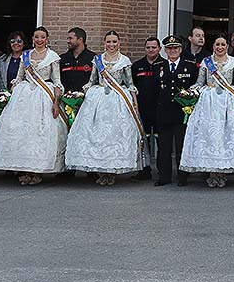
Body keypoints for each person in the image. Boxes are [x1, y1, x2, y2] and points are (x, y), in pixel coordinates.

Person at [0, 26, 68, 185]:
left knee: (39, 133)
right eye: (36, 37)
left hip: (44, 96)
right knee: (21, 133)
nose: (39, 40)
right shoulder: (26, 55)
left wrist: (56, 102)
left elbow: (57, 81)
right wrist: (13, 87)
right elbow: (19, 77)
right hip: (24, 95)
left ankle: (37, 171)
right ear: (32, 39)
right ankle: (24, 169)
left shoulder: (52, 57)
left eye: (42, 37)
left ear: (47, 39)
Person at [63, 31, 144, 185]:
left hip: (118, 100)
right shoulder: (97, 60)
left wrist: (134, 103)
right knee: (97, 135)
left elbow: (130, 83)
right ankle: (100, 170)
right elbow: (92, 80)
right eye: (108, 42)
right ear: (104, 43)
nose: (111, 45)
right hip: (97, 100)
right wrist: (82, 92)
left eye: (114, 42)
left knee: (114, 136)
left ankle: (112, 171)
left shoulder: (124, 60)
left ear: (119, 43)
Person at [180, 35, 234, 188]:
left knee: (226, 136)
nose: (220, 47)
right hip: (208, 102)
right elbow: (199, 83)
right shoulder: (206, 62)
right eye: (217, 44)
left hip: (229, 102)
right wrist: (188, 93)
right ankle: (211, 171)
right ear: (213, 46)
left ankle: (222, 172)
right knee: (209, 136)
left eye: (223, 44)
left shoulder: (233, 62)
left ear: (227, 46)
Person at [154, 36, 198, 187]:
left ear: (180, 50)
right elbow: (154, 91)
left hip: (182, 113)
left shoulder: (190, 66)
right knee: (164, 147)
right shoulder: (158, 66)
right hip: (163, 112)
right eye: (169, 48)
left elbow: (195, 89)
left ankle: (182, 177)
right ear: (165, 50)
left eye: (175, 48)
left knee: (181, 146)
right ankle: (164, 177)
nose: (172, 51)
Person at [130, 36, 161, 181]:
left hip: (160, 109)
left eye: (154, 47)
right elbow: (132, 87)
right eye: (148, 47)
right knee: (144, 141)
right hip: (143, 109)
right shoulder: (137, 66)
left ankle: (163, 171)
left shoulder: (165, 64)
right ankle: (145, 170)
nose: (151, 50)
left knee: (161, 142)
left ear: (159, 49)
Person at [59, 27, 95, 94]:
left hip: (87, 100)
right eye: (68, 38)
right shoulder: (62, 58)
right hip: (65, 100)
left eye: (71, 38)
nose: (68, 41)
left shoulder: (93, 58)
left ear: (80, 39)